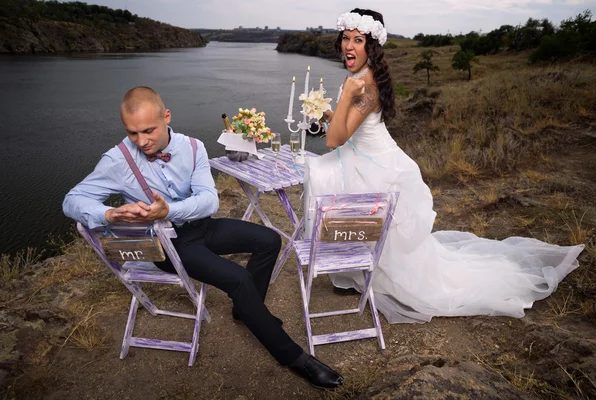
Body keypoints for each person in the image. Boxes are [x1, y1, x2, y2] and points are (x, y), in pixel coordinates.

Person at [304, 9, 584, 323]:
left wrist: (341, 100)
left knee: (320, 173)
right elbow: (345, 128)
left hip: (377, 164)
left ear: (372, 47)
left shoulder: (364, 86)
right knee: (333, 184)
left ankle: (380, 277)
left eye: (358, 40)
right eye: (346, 38)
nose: (349, 46)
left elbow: (334, 141)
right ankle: (355, 273)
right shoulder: (358, 79)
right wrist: (326, 113)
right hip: (366, 157)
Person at [63, 86, 344, 389]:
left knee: (269, 240)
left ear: (166, 117)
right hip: (169, 246)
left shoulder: (194, 147)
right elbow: (73, 201)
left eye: (148, 130)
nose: (141, 141)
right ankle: (296, 358)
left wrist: (169, 208)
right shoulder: (117, 160)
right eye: (132, 133)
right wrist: (108, 214)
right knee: (238, 278)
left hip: (202, 228)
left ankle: (245, 311)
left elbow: (210, 201)